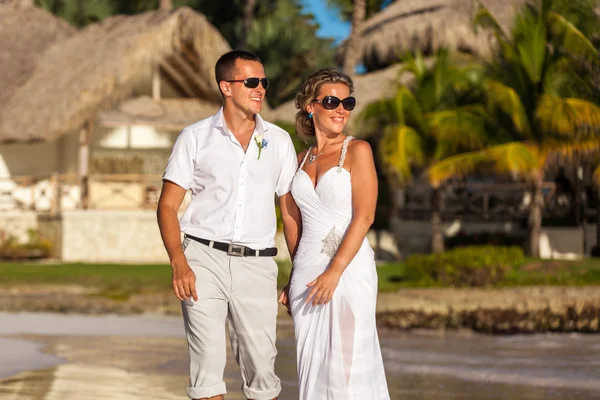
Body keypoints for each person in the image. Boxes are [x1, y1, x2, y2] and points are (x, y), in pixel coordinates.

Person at [157, 50, 298, 400]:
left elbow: (291, 211)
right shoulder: (195, 137)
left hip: (258, 264)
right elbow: (167, 206)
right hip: (203, 259)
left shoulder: (279, 141)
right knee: (206, 368)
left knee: (263, 369)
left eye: (264, 82)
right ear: (226, 87)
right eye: (251, 81)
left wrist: (298, 270)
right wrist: (179, 263)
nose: (260, 89)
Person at [278, 69, 390, 399]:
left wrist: (334, 272)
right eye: (332, 101)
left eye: (348, 102)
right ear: (310, 106)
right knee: (312, 367)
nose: (341, 109)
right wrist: (295, 274)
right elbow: (291, 219)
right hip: (307, 274)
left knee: (348, 367)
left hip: (348, 269)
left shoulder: (358, 150)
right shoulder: (297, 161)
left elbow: (365, 216)